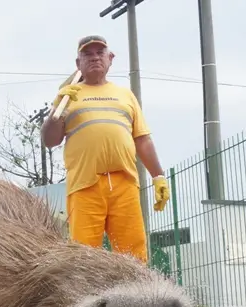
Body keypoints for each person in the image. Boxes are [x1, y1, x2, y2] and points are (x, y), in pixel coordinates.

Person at [41, 35, 170, 264]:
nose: (94, 58)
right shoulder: (68, 96)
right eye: (87, 54)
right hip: (85, 184)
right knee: (84, 257)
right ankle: (88, 299)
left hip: (124, 183)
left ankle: (137, 298)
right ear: (78, 63)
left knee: (133, 256)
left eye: (99, 53)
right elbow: (50, 140)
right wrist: (56, 112)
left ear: (110, 58)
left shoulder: (126, 95)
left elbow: (142, 139)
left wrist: (158, 176)